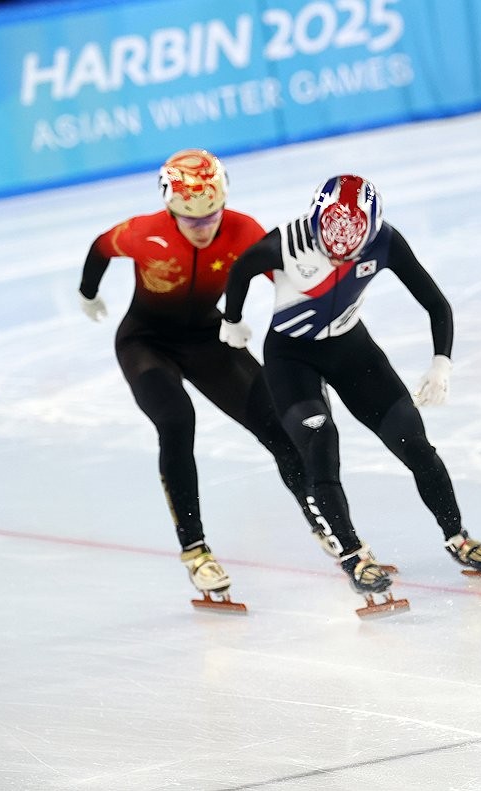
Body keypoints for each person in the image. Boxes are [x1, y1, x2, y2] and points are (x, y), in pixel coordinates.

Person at [220, 174, 481, 611]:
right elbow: (241, 267)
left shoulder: (384, 241)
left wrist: (441, 363)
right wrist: (233, 318)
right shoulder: (287, 241)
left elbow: (435, 303)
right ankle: (354, 556)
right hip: (291, 359)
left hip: (352, 350)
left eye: (351, 251)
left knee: (414, 441)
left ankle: (457, 537)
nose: (339, 257)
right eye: (329, 245)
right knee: (321, 443)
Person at [77, 148, 319, 607]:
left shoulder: (244, 229)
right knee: (175, 420)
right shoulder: (145, 231)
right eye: (192, 221)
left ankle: (325, 524)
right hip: (146, 343)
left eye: (212, 216)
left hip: (211, 340)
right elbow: (100, 247)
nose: (205, 228)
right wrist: (87, 292)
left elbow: (286, 281)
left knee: (279, 425)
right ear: (170, 209)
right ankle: (195, 550)